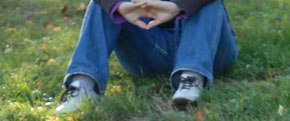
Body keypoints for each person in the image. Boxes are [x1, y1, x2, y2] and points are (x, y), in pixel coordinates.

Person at [54, 0, 238, 113]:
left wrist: (177, 7)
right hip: (151, 44)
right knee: (105, 5)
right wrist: (121, 7)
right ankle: (83, 85)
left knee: (211, 3)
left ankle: (192, 77)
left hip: (210, 48)